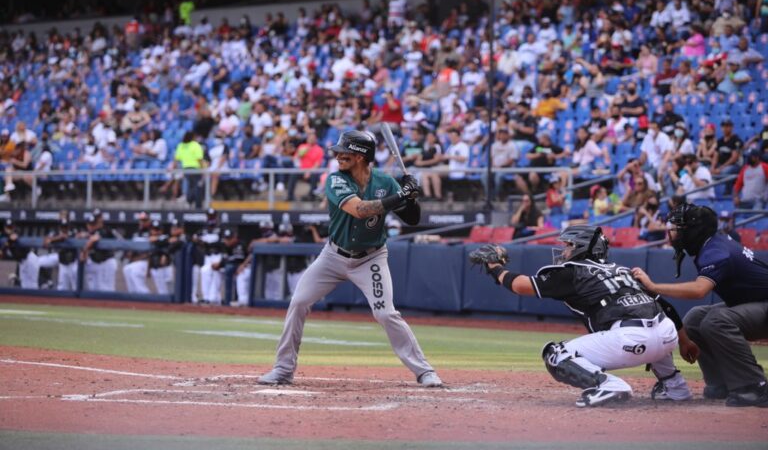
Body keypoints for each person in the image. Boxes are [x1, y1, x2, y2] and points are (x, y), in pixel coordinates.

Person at [258, 130, 442, 387]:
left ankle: (424, 371)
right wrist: (400, 195)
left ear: (361, 156)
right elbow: (359, 210)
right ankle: (283, 369)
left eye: (345, 152)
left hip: (371, 258)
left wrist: (411, 196)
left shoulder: (385, 183)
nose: (338, 155)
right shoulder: (336, 180)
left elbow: (412, 219)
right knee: (299, 301)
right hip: (333, 256)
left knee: (386, 314)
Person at [470, 225, 693, 407]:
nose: (564, 251)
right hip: (667, 337)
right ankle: (676, 387)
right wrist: (684, 341)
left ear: (580, 248)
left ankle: (608, 384)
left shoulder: (572, 271)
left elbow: (520, 285)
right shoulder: (624, 270)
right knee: (654, 321)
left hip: (631, 339)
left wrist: (494, 267)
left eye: (567, 246)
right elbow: (666, 308)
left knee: (555, 354)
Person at [632, 203, 768, 407]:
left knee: (716, 321)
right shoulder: (712, 244)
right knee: (695, 319)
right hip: (755, 302)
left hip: (763, 304)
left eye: (677, 228)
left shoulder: (716, 251)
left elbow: (699, 290)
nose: (672, 232)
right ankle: (721, 382)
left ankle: (754, 386)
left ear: (693, 231)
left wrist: (653, 286)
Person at [39, 218, 79, 291]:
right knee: (62, 290)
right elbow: (45, 241)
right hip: (62, 262)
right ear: (60, 227)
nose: (64, 229)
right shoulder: (56, 233)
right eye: (63, 227)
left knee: (76, 289)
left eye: (66, 227)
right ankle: (47, 282)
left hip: (73, 263)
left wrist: (53, 239)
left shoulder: (72, 232)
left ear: (69, 227)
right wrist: (56, 238)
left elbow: (67, 237)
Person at [1, 219, 39, 289]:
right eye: (8, 227)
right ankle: (27, 300)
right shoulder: (3, 237)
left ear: (14, 227)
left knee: (33, 283)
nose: (9, 229)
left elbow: (13, 238)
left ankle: (37, 300)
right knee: (24, 284)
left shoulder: (17, 232)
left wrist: (4, 248)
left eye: (11, 227)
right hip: (22, 262)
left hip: (30, 258)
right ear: (4, 228)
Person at [123, 212, 152, 294]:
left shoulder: (152, 231)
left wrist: (136, 258)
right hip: (136, 261)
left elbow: (150, 252)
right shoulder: (136, 233)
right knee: (126, 269)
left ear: (149, 220)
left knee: (135, 272)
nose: (142, 222)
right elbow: (130, 251)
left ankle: (145, 296)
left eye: (144, 220)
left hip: (147, 261)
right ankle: (133, 296)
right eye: (141, 220)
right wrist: (129, 254)